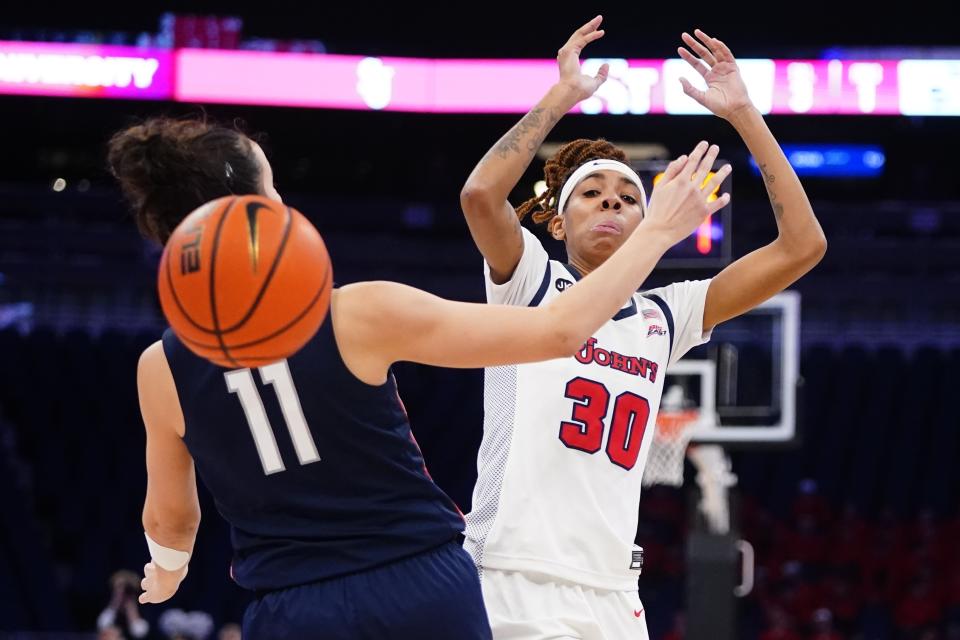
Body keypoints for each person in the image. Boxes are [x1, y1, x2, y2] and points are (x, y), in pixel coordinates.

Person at [106, 115, 726, 639]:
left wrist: (165, 569)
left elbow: (171, 521)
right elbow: (561, 332)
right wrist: (662, 231)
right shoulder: (360, 310)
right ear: (258, 211)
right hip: (419, 583)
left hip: (290, 606)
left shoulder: (159, 367)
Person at [460, 17, 827, 639]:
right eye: (592, 193)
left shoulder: (665, 313)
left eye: (628, 197)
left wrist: (743, 116)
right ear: (556, 224)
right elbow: (479, 196)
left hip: (612, 592)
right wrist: (561, 96)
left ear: (647, 220)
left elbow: (803, 247)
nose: (612, 202)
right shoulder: (530, 282)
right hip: (511, 576)